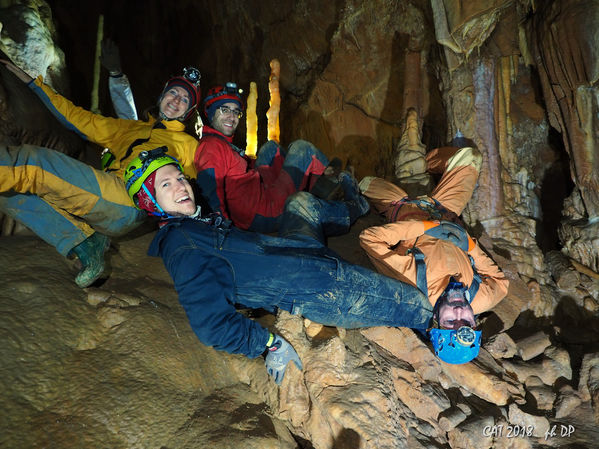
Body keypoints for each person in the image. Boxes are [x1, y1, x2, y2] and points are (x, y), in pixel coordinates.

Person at [124, 150, 485, 385]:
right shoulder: (183, 245)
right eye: (165, 185)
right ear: (151, 200)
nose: (180, 187)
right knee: (415, 303)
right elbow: (210, 325)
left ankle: (352, 210)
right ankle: (449, 334)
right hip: (322, 286)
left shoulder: (195, 224)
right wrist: (267, 343)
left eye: (179, 178)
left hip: (296, 248)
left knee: (301, 204)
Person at [0, 59, 201, 287]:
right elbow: (78, 118)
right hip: (107, 192)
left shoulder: (188, 143)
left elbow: (194, 184)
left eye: (185, 100)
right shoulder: (128, 129)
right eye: (173, 92)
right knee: (8, 192)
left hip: (128, 200)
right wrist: (34, 85)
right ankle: (85, 242)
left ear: (189, 111)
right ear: (163, 94)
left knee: (31, 164)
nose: (176, 100)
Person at [358, 113, 509, 364]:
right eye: (468, 321)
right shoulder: (480, 298)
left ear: (435, 322)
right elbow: (502, 284)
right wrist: (470, 246)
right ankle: (422, 162)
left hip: (402, 206)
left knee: (364, 184)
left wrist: (423, 228)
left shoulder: (414, 284)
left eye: (451, 321)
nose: (461, 312)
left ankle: (408, 165)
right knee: (470, 157)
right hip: (444, 207)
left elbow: (369, 239)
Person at [194, 82, 369, 233]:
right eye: (224, 110)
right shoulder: (211, 147)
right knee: (302, 148)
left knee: (270, 148)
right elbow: (210, 189)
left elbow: (240, 169)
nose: (231, 117)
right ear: (210, 113)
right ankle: (331, 188)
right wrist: (222, 226)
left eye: (236, 111)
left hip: (258, 191)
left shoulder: (221, 143)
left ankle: (315, 183)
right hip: (264, 211)